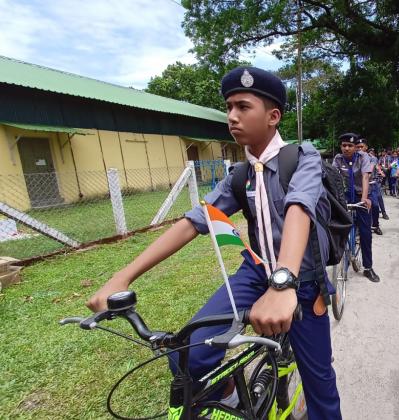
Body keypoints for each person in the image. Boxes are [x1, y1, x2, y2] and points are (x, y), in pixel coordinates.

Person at [86, 66, 342, 418]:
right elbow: (194, 222)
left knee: (320, 385)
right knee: (186, 355)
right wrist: (122, 277)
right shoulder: (239, 175)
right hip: (256, 272)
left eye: (243, 106)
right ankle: (232, 397)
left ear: (273, 116)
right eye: (229, 107)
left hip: (303, 280)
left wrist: (283, 284)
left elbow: (299, 207)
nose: (232, 116)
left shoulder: (302, 158)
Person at [332, 134, 381, 282]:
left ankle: (368, 267)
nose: (346, 148)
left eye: (350, 145)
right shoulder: (338, 159)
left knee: (365, 233)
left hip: (362, 195)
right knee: (338, 227)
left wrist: (364, 198)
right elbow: (332, 178)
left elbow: (365, 177)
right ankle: (342, 258)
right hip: (347, 195)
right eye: (344, 145)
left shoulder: (363, 157)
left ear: (355, 147)